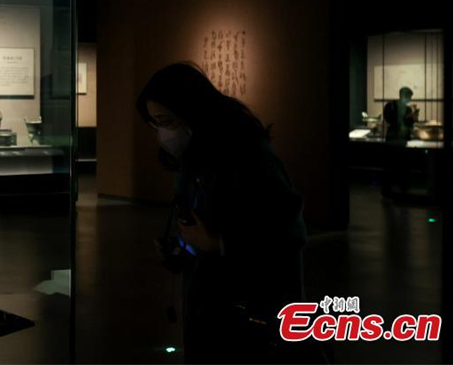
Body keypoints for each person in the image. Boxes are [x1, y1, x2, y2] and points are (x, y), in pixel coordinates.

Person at [136, 62, 317, 364]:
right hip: (209, 309)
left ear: (193, 112)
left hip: (250, 313)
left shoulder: (249, 156)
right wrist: (180, 248)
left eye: (167, 121)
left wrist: (219, 243)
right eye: (156, 124)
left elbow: (288, 231)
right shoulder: (195, 158)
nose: (163, 134)